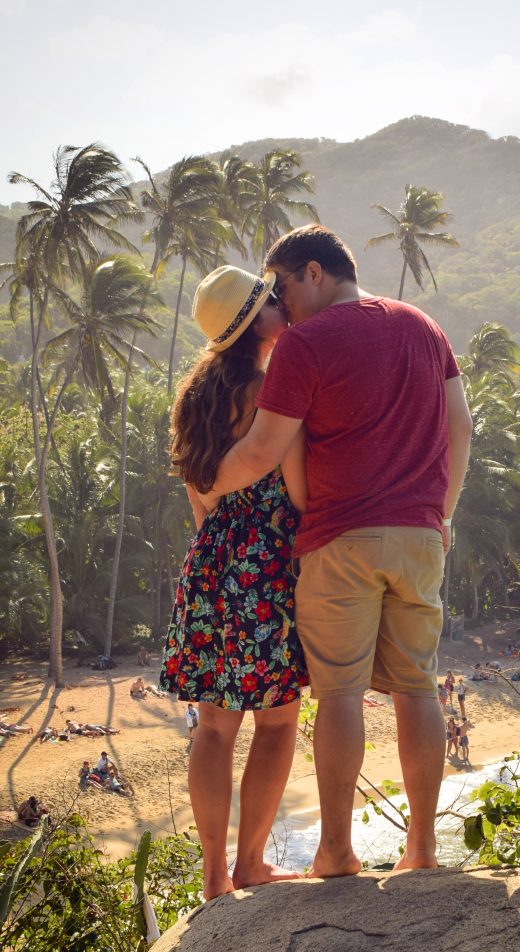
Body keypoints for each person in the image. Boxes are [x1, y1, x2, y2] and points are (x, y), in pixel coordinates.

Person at [201, 226, 473, 877]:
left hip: (338, 539)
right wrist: (442, 515)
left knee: (341, 694)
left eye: (283, 286)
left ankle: (335, 851)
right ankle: (423, 852)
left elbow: (265, 450)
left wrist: (206, 481)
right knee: (415, 689)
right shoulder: (423, 327)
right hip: (418, 536)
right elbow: (460, 426)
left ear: (315, 272)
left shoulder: (305, 342)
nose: (282, 303)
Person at [158, 264, 309, 900]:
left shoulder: (195, 397)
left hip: (212, 560)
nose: (283, 305)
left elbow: (202, 499)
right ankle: (251, 862)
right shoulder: (270, 389)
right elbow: (297, 487)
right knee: (276, 723)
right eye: (272, 300)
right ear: (255, 321)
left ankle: (214, 875)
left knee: (214, 728)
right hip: (266, 563)